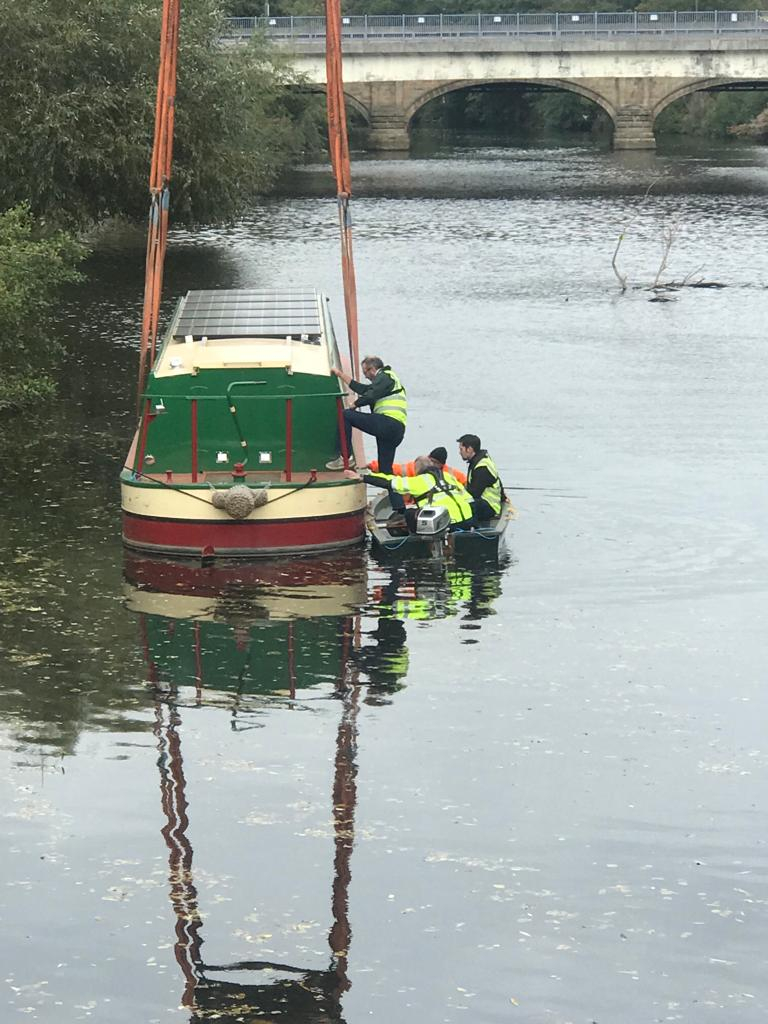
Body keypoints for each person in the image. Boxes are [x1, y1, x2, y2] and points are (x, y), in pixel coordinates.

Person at [353, 454, 475, 532]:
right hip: (468, 520)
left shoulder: (420, 481)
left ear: (417, 470)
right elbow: (469, 499)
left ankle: (417, 538)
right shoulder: (449, 477)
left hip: (446, 525)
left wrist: (363, 477)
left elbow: (389, 482)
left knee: (409, 514)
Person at [326, 356, 407, 473]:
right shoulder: (387, 383)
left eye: (365, 372)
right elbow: (363, 390)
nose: (365, 376)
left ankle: (345, 458)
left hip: (387, 423)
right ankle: (388, 484)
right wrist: (340, 374)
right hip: (396, 430)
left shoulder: (385, 376)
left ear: (372, 369)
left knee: (345, 415)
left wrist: (355, 404)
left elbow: (371, 395)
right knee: (385, 469)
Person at [456, 433, 505, 522]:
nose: (459, 452)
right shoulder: (481, 459)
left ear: (469, 449)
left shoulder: (481, 468)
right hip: (488, 503)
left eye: (461, 449)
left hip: (490, 507)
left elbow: (474, 494)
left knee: (460, 504)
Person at [365, 445, 468, 485]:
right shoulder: (411, 468)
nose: (433, 464)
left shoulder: (450, 473)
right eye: (432, 461)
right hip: (409, 503)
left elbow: (465, 482)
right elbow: (393, 469)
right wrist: (372, 465)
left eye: (436, 463)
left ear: (442, 465)